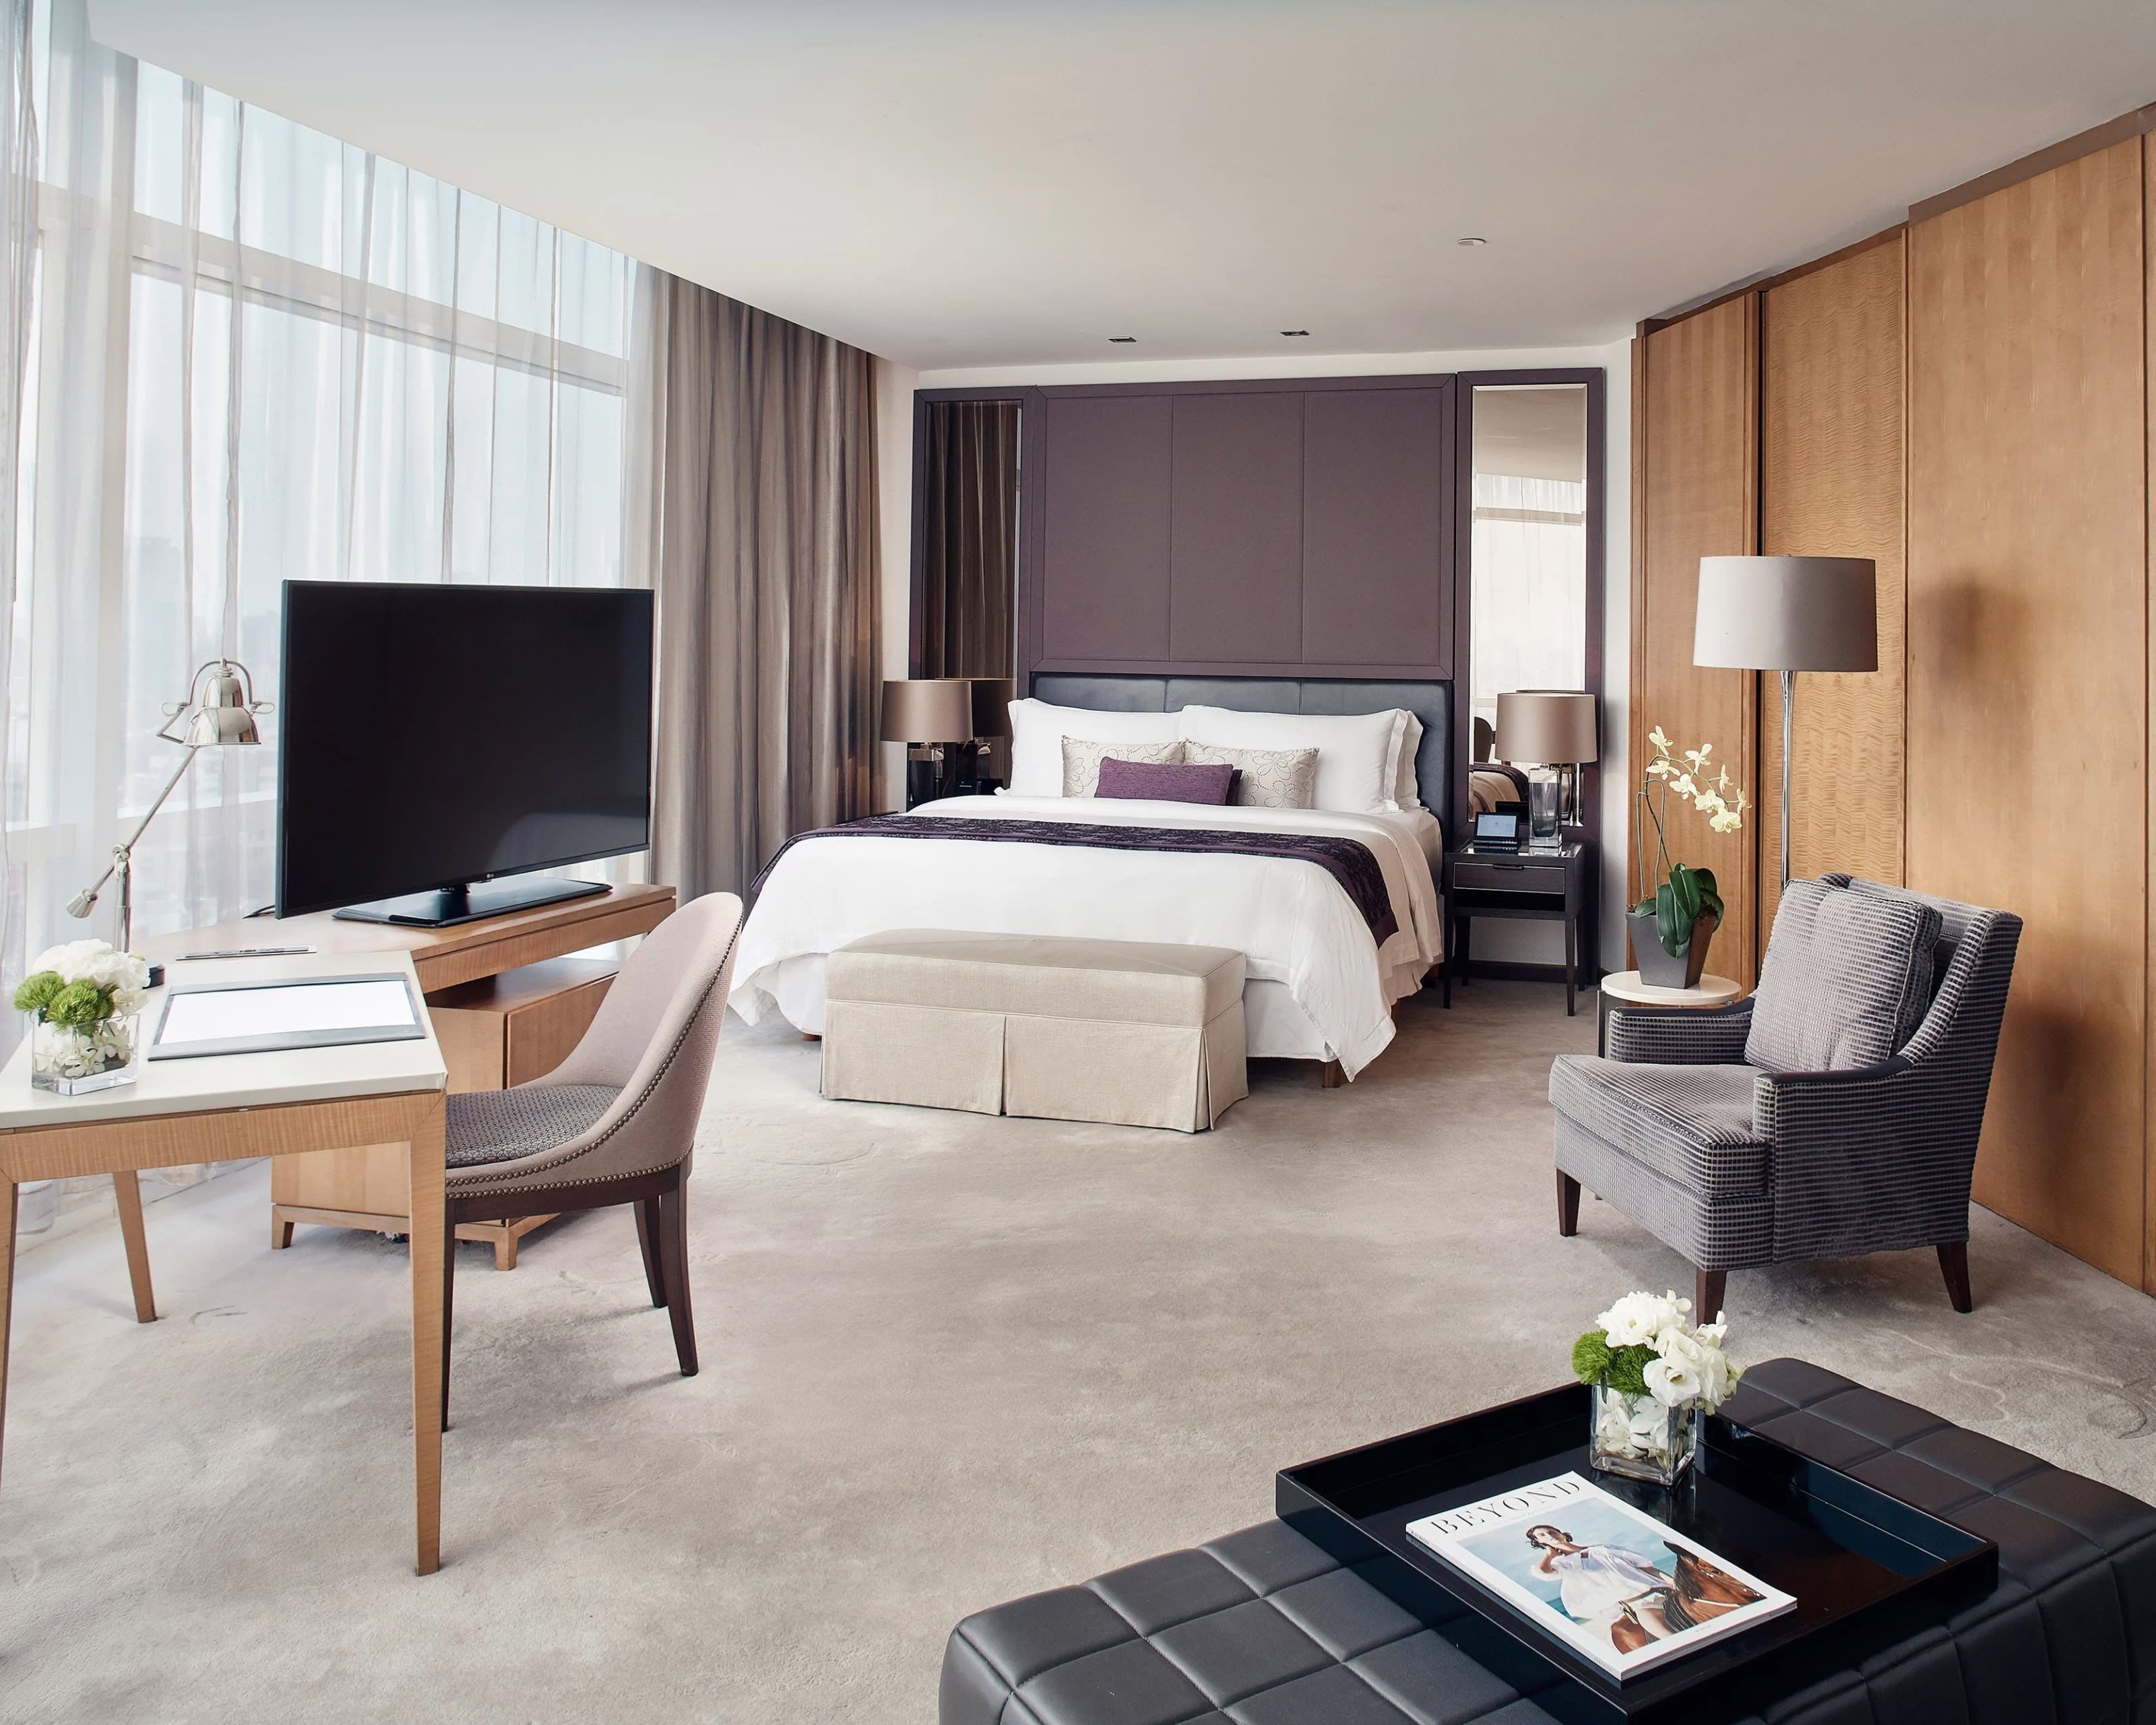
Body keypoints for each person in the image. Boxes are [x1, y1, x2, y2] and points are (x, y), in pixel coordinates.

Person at [1523, 1524, 1678, 1645]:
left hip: (1663, 1590)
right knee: (1670, 1638)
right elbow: (1542, 1573)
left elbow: (1649, 1569)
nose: (1549, 1535)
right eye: (1542, 1535)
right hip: (1642, 1604)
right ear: (1540, 1542)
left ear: (1562, 1533)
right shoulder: (1563, 1564)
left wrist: (1675, 1583)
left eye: (1551, 1531)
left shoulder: (1603, 1549)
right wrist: (1550, 1554)